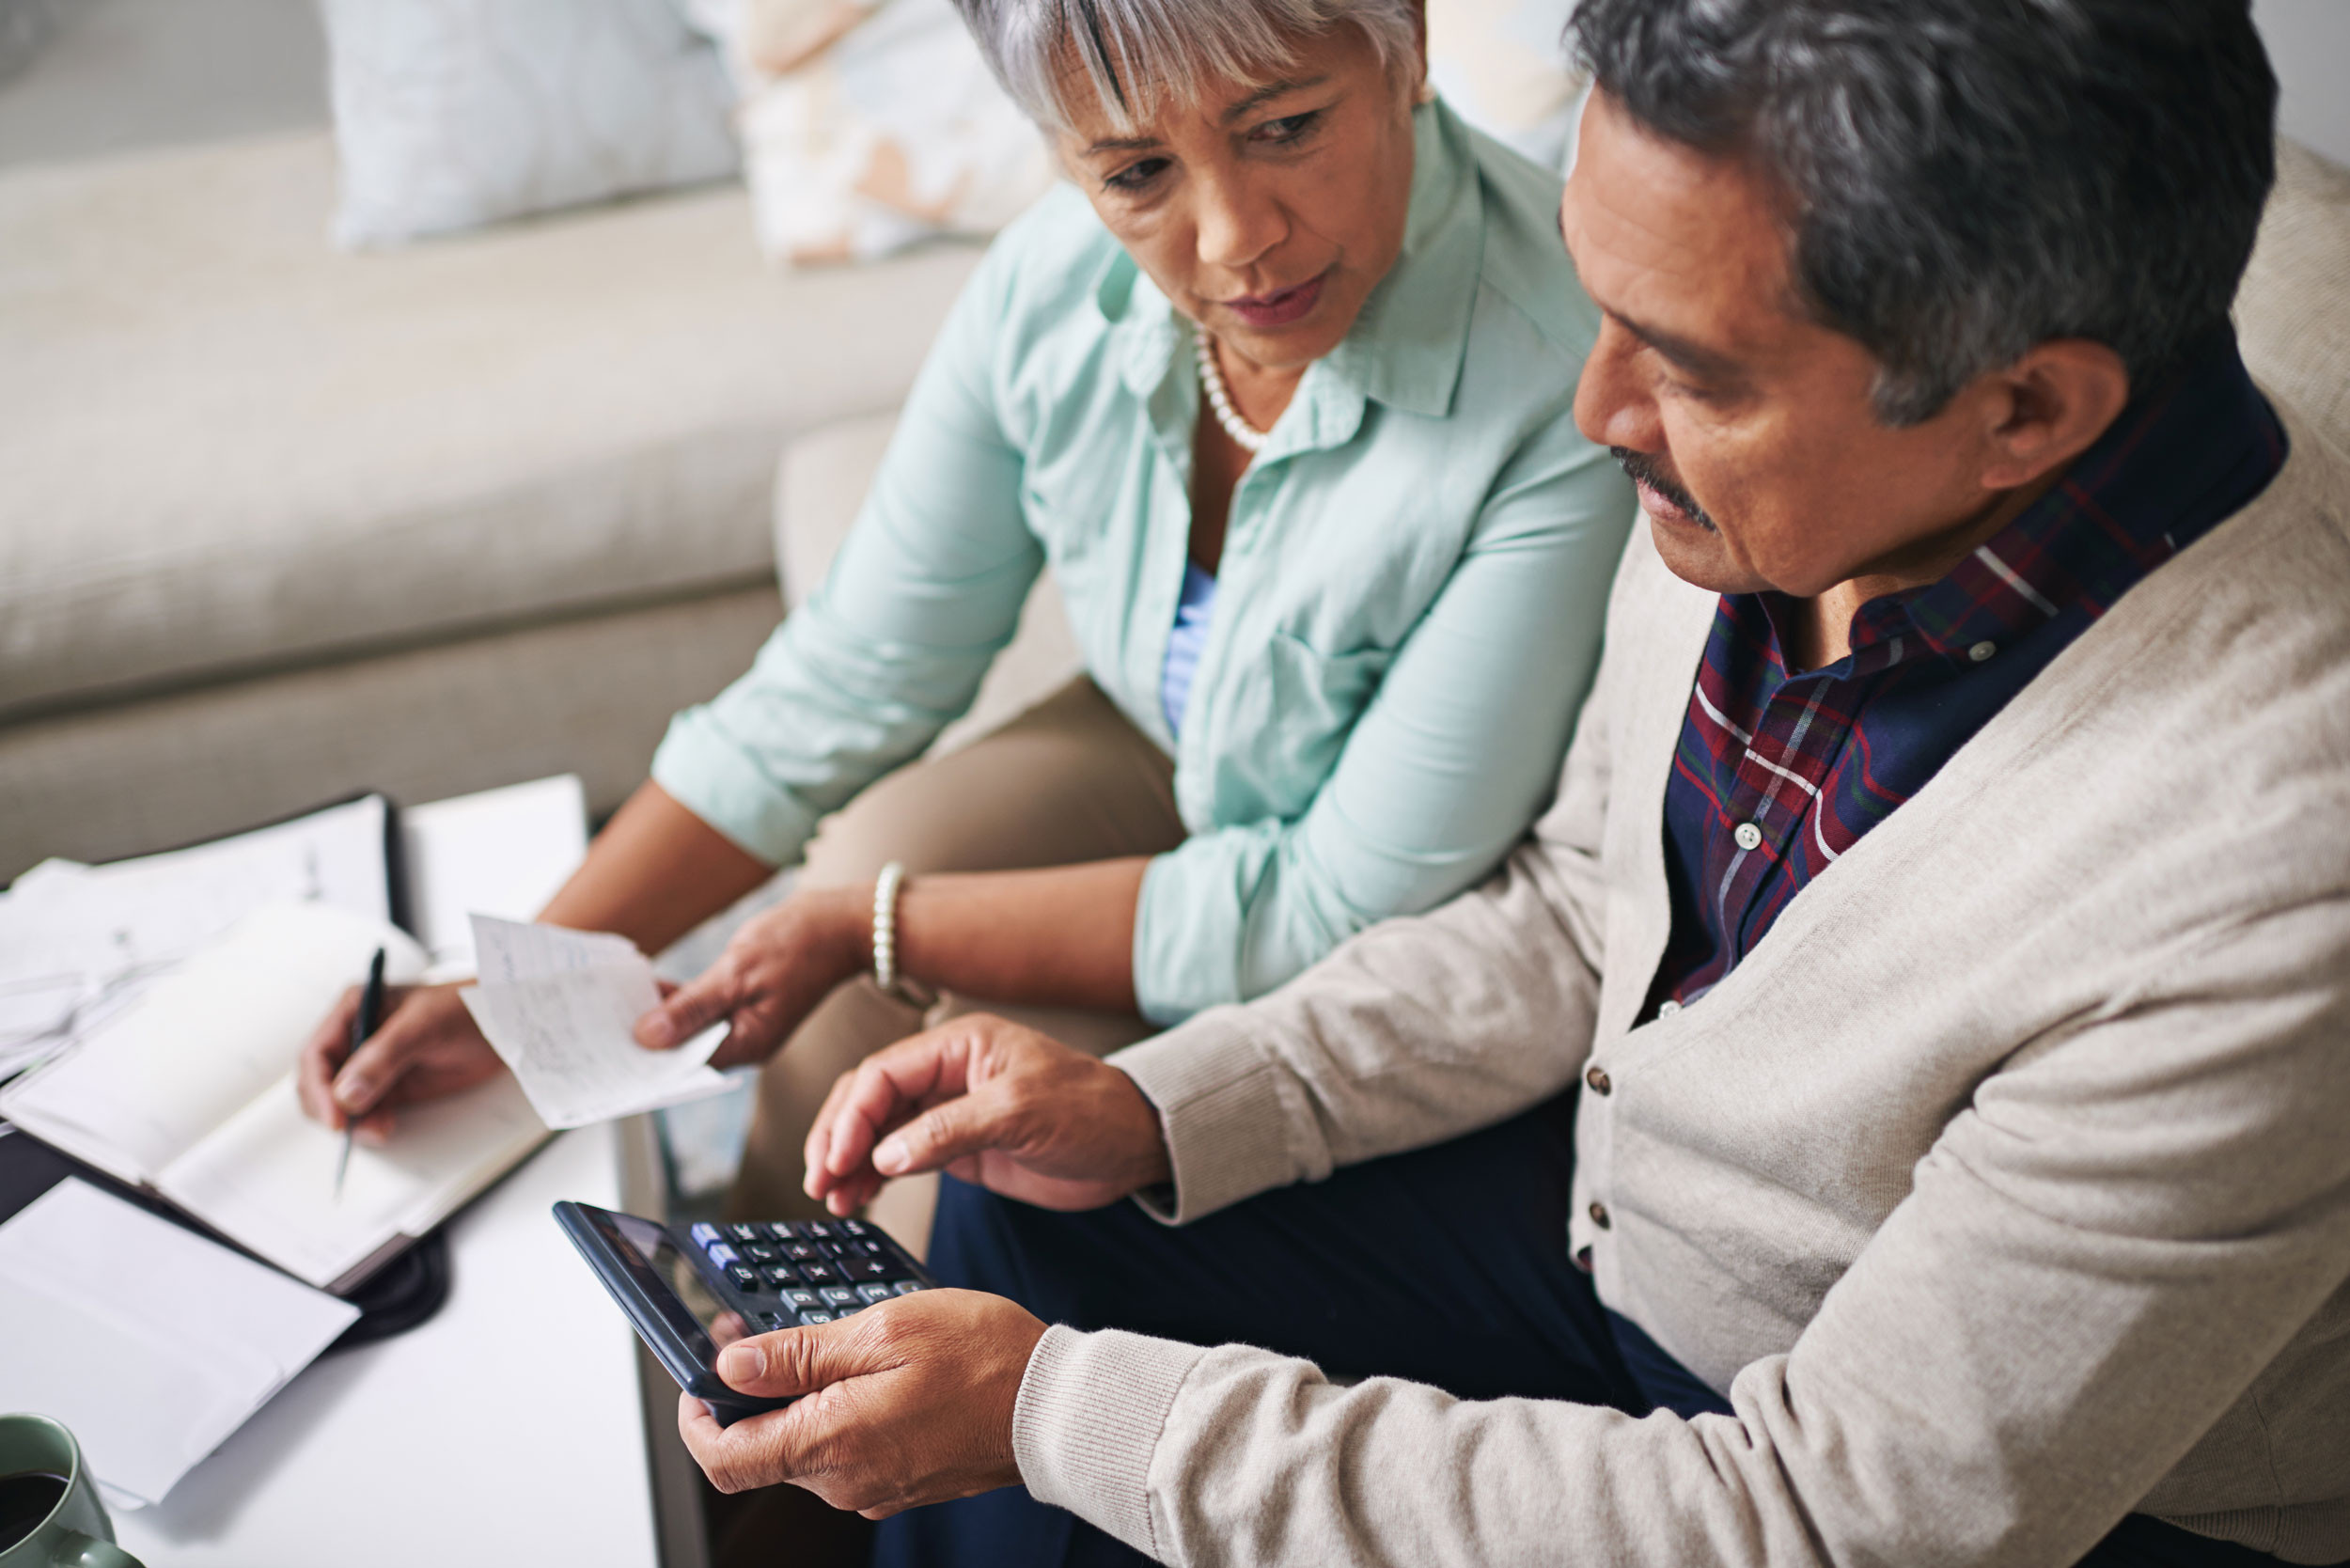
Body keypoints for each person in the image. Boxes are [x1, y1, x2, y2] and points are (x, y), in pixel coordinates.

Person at [662, 2, 2350, 1565]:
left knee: (1056, 1392)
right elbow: (1571, 912)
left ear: (2025, 410)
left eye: (1686, 366)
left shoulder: (2263, 886)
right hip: (1626, 1240)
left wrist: (1074, 1419)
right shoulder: (1780, 490)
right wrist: (1168, 1108)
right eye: (1600, 308)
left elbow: (1826, 1524)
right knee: (1030, 1221)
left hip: (1908, 1499)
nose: (1596, 407)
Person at [292, 0, 1636, 1227]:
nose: (1234, 239)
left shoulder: (1568, 378)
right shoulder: (1051, 286)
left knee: (966, 1119)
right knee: (875, 856)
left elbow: (1330, 900)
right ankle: (752, 1299)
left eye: (1284, 127)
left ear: (1406, 44)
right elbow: (851, 673)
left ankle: (884, 1367)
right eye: (1137, 172)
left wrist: (876, 927)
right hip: (1171, 747)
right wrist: (518, 992)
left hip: (1404, 898)